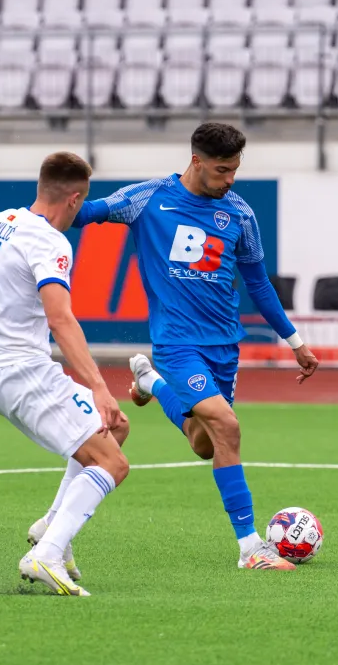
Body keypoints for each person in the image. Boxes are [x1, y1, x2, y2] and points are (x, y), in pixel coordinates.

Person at [69, 122, 320, 571]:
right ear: (196, 161)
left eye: (236, 170)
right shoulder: (148, 199)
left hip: (225, 347)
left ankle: (149, 382)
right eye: (223, 170)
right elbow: (85, 212)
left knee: (203, 444)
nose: (230, 180)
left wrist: (295, 341)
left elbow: (258, 283)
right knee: (228, 426)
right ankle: (249, 548)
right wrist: (34, 218)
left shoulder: (240, 214)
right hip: (177, 344)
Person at [0, 152, 130, 597]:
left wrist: (8, 300)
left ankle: (54, 528)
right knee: (113, 463)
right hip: (23, 369)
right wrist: (100, 387)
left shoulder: (2, 220)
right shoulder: (53, 242)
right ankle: (45, 555)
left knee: (114, 429)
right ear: (74, 199)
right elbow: (61, 320)